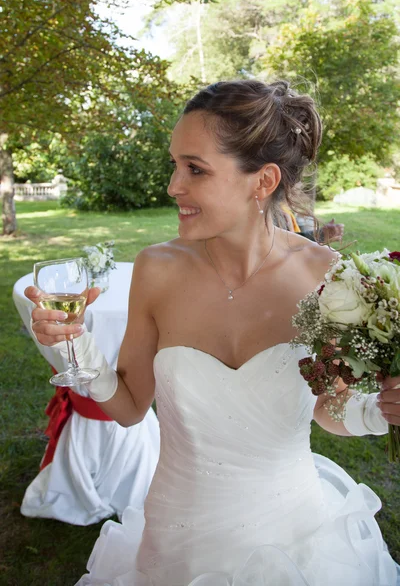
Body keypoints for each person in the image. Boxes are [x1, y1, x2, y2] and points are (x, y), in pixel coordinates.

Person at [26, 80, 400, 586]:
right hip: (178, 536)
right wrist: (76, 343)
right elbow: (132, 407)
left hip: (297, 537)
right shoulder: (155, 269)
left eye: (195, 169)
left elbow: (326, 408)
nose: (173, 186)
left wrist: (377, 412)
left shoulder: (325, 276)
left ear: (262, 181)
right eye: (175, 164)